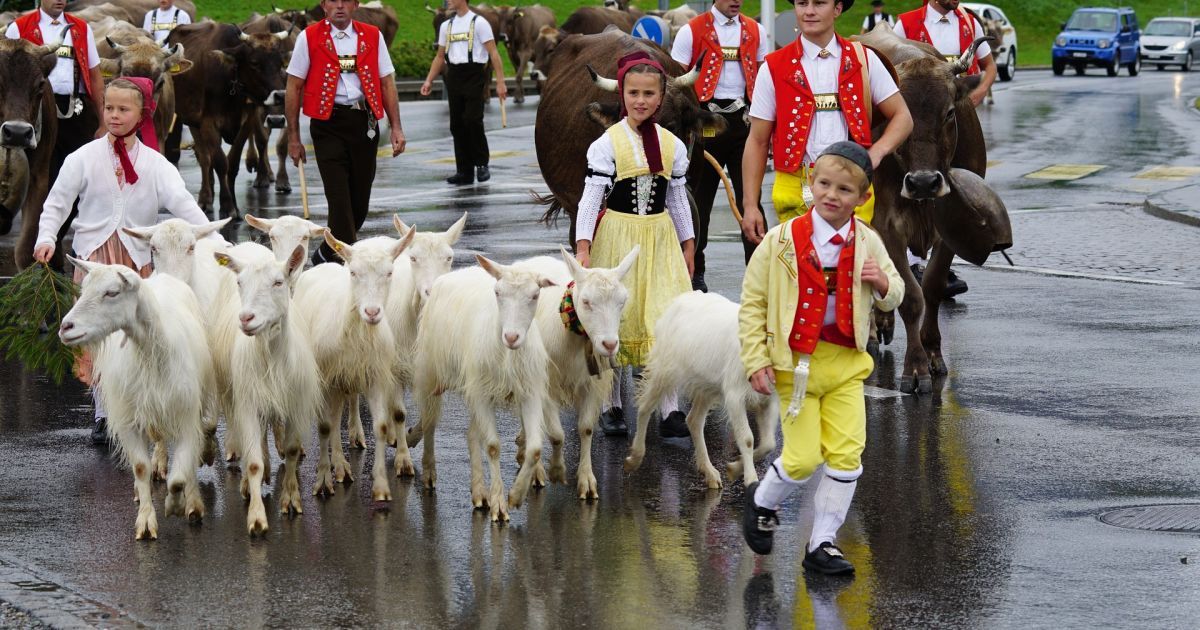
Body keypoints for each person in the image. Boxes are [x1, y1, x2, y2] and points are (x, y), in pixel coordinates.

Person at [737, 142, 903, 575]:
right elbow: (753, 302)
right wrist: (756, 359)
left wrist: (884, 284)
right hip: (796, 368)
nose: (832, 195)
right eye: (825, 184)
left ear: (863, 198)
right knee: (803, 458)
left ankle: (822, 544)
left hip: (847, 367)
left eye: (845, 189)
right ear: (810, 182)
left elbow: (895, 295)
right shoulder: (780, 241)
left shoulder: (869, 242)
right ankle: (762, 501)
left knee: (848, 457)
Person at [31, 78, 216, 446]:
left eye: (123, 109)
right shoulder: (82, 158)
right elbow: (57, 203)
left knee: (133, 340)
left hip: (136, 266)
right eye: (109, 108)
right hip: (94, 260)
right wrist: (47, 236)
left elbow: (184, 206)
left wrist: (214, 237)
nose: (114, 116)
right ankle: (104, 414)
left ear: (143, 113)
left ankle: (142, 408)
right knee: (97, 338)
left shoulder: (155, 164)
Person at [574, 52, 695, 438]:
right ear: (622, 95)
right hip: (619, 236)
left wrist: (688, 243)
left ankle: (669, 408)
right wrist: (583, 246)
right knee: (616, 318)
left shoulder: (673, 145)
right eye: (633, 93)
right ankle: (611, 403)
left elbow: (676, 198)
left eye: (648, 94)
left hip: (659, 239)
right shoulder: (607, 144)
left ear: (660, 98)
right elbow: (591, 198)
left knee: (663, 317)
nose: (640, 100)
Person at [740, 0, 912, 247]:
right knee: (799, 277)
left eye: (819, 3)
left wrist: (876, 153)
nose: (809, 11)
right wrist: (750, 205)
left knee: (851, 275)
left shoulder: (865, 59)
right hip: (795, 187)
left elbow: (903, 117)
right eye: (802, 3)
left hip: (852, 185)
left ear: (838, 9)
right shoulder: (773, 67)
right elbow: (757, 140)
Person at [285, 0, 407, 266]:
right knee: (339, 200)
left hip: (365, 123)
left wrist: (396, 126)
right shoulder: (309, 37)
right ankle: (348, 264)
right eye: (333, 1)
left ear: (355, 5)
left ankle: (324, 256)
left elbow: (387, 82)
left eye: (345, 1)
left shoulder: (373, 35)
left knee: (359, 203)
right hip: (327, 125)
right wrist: (293, 137)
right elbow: (293, 86)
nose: (339, 6)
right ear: (324, 5)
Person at [895, 0, 995, 297]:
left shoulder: (970, 23)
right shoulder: (907, 23)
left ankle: (943, 262)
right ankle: (914, 262)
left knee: (958, 181)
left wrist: (976, 95)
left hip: (954, 113)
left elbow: (988, 67)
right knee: (918, 181)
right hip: (920, 118)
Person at [669, 0, 769, 297]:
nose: (736, 1)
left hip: (744, 125)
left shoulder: (757, 31)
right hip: (705, 125)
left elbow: (764, 78)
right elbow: (675, 80)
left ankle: (757, 276)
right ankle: (695, 272)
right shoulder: (691, 31)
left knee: (751, 202)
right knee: (698, 204)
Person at [6, 0, 106, 229]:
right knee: (39, 176)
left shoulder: (81, 27)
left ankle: (57, 238)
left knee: (76, 176)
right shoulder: (18, 27)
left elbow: (95, 75)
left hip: (75, 109)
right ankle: (39, 239)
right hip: (34, 109)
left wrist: (103, 122)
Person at [420, 0, 507, 185]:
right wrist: (429, 80)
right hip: (454, 76)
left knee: (473, 120)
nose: (448, 0)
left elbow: (494, 53)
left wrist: (500, 82)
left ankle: (482, 164)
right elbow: (440, 57)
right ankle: (464, 171)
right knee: (456, 124)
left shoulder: (480, 23)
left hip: (474, 74)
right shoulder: (446, 26)